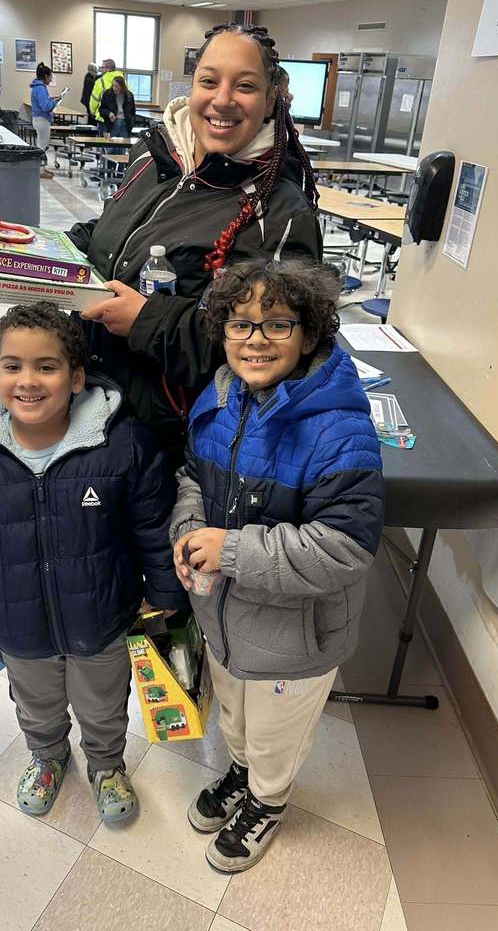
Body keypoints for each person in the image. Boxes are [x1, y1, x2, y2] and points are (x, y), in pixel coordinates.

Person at [0, 302, 186, 822]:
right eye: (12, 366)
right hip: (17, 623)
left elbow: (152, 527)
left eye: (47, 366)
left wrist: (165, 592)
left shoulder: (122, 445)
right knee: (35, 704)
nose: (28, 381)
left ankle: (106, 765)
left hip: (104, 617)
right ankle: (47, 757)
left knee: (104, 705)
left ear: (77, 377)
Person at [170, 259, 384, 873]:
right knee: (234, 714)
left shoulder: (339, 430)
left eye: (277, 325)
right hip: (225, 617)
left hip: (296, 637)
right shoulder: (217, 399)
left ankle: (267, 799)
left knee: (275, 735)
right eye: (240, 324)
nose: (255, 340)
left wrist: (229, 549)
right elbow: (192, 478)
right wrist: (189, 531)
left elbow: (344, 548)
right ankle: (241, 774)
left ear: (310, 334)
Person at [75, 22, 323, 464]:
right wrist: (43, 251)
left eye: (244, 86)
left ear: (270, 100)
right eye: (209, 81)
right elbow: (112, 235)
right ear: (191, 88)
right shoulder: (155, 158)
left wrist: (145, 320)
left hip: (165, 443)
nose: (222, 99)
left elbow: (263, 347)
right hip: (91, 400)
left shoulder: (281, 213)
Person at [30, 62, 62, 179]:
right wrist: (54, 102)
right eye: (50, 76)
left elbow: (43, 102)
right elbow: (46, 107)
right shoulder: (40, 89)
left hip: (38, 119)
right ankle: (40, 170)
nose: (51, 78)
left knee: (41, 144)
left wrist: (51, 99)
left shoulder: (37, 87)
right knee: (42, 146)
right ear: (45, 76)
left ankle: (41, 168)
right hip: (42, 119)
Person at [89, 58, 125, 134]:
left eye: (102, 67)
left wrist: (92, 112)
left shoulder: (100, 82)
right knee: (119, 144)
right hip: (120, 119)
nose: (100, 69)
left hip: (104, 119)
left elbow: (94, 100)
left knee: (105, 143)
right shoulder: (123, 81)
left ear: (108, 69)